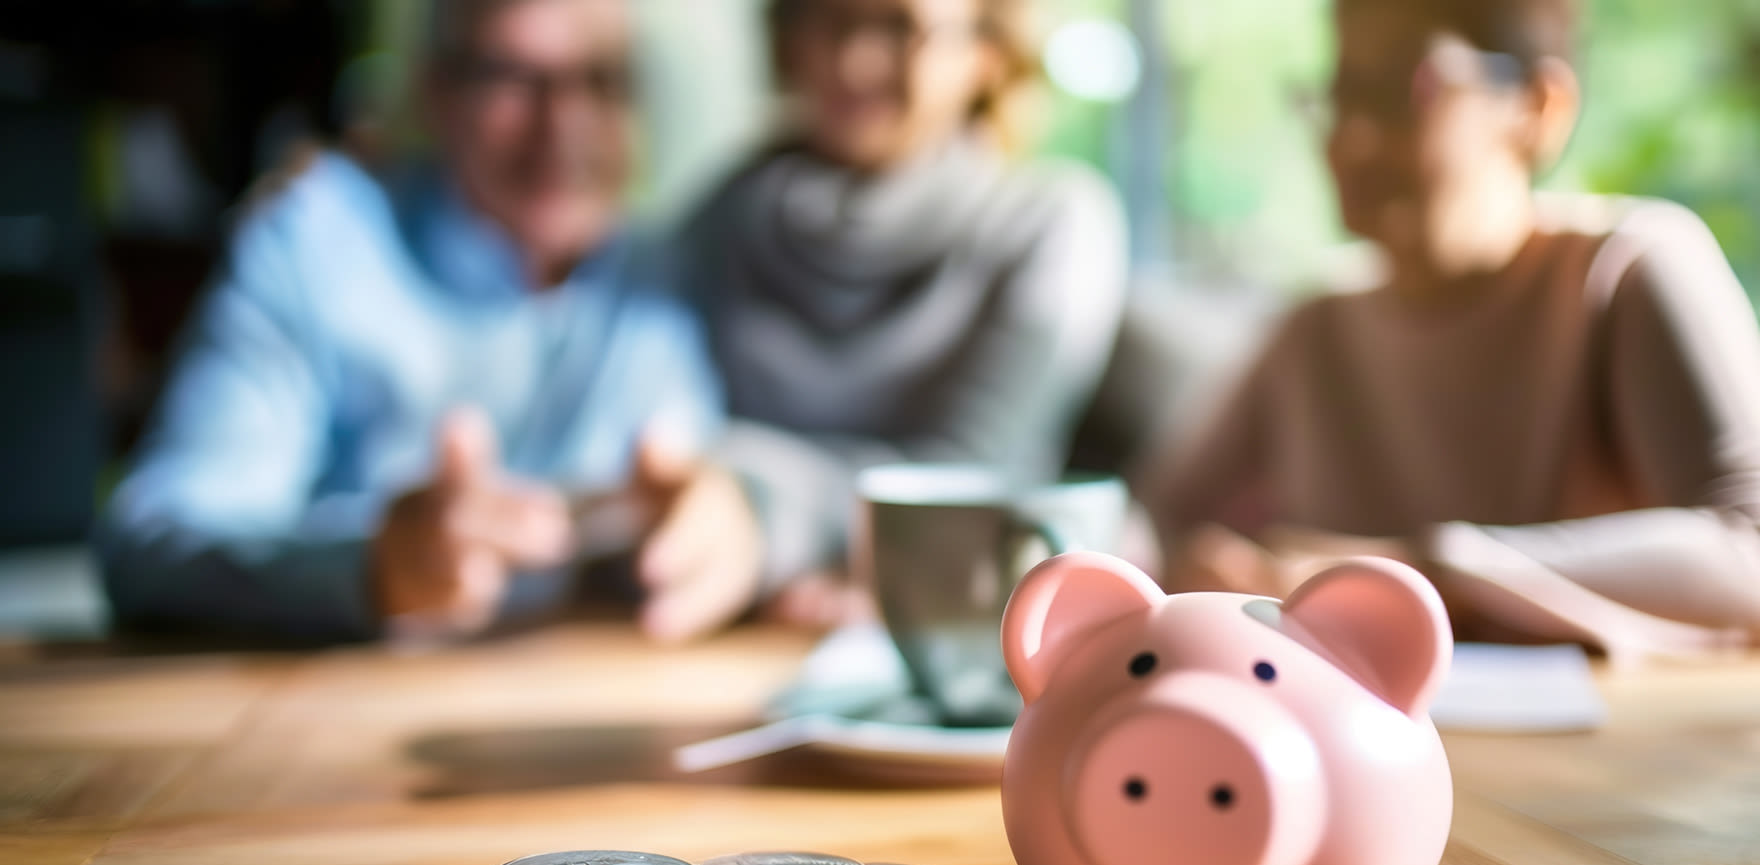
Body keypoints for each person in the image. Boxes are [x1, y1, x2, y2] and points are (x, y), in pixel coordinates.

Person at [1138, 0, 1760, 657]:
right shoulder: (1313, 332)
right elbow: (1154, 522)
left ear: (1538, 107)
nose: (1351, 137)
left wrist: (1420, 570)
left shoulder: (1622, 271)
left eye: (1403, 89)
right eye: (1339, 96)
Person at [98, 0, 763, 643]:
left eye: (601, 81)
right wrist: (369, 568)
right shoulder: (315, 245)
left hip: (577, 722)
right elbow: (150, 541)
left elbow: (705, 488)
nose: (564, 122)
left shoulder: (653, 277)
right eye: (515, 78)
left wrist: (736, 526)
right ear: (434, 91)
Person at [678, 0, 1128, 626]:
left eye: (899, 27)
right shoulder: (714, 224)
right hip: (720, 622)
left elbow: (971, 481)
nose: (853, 61)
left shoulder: (1049, 223)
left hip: (956, 621)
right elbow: (660, 446)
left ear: (987, 52)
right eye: (828, 19)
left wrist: (756, 497)